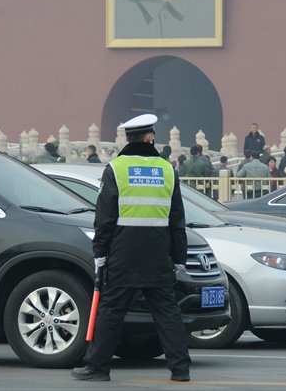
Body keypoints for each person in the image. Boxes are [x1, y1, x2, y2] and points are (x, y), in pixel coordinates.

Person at [71, 114, 191, 382]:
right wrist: (179, 257)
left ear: (128, 138)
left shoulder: (116, 168)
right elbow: (177, 218)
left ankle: (97, 367)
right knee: (167, 312)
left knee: (111, 311)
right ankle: (180, 369)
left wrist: (99, 253)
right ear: (149, 137)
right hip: (159, 252)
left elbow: (104, 217)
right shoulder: (167, 169)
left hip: (123, 252)